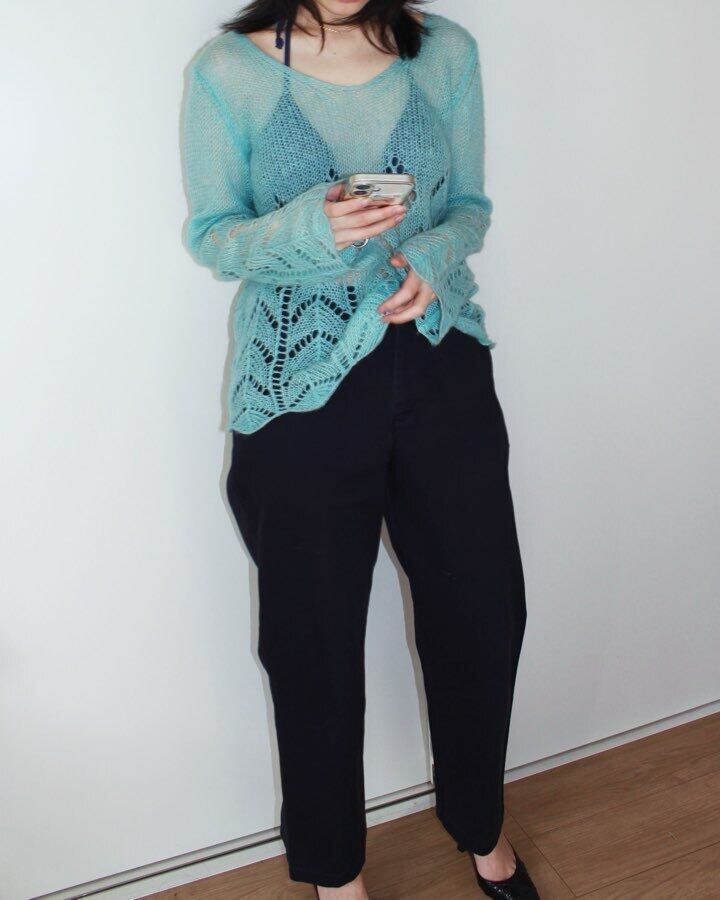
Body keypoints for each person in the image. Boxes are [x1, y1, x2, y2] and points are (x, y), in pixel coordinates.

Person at [181, 2, 539, 897]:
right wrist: (312, 227)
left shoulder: (444, 52)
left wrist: (433, 261)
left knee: (482, 614)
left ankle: (481, 826)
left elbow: (469, 207)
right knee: (313, 638)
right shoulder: (229, 71)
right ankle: (336, 873)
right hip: (297, 387)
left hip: (440, 361)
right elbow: (214, 234)